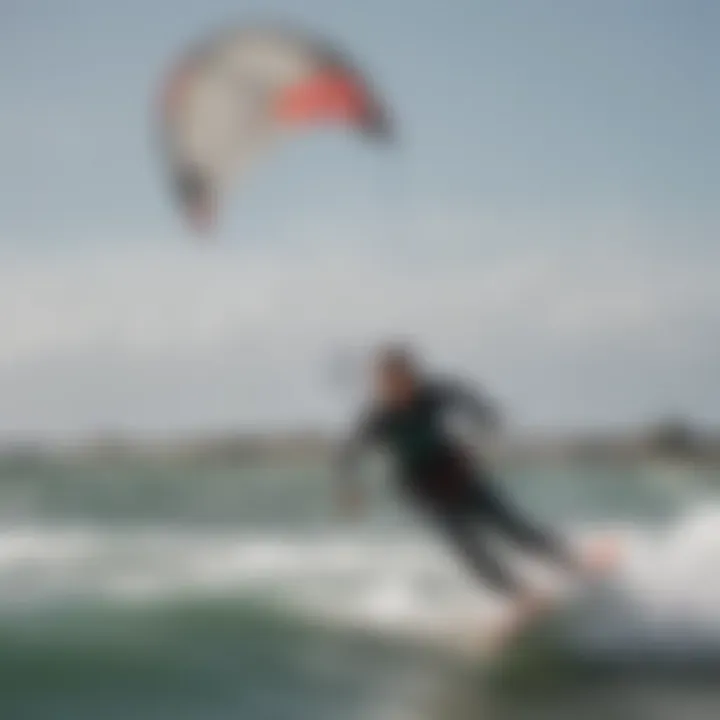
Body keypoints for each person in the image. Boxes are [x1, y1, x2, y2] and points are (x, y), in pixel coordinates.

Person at [335, 344, 583, 623]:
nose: (397, 388)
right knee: (468, 547)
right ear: (381, 384)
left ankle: (572, 563)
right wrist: (350, 490)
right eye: (388, 382)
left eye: (403, 378)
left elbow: (474, 403)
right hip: (422, 490)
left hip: (456, 472)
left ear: (412, 376)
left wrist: (484, 425)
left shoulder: (433, 394)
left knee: (512, 525)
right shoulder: (378, 417)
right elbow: (347, 455)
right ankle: (519, 596)